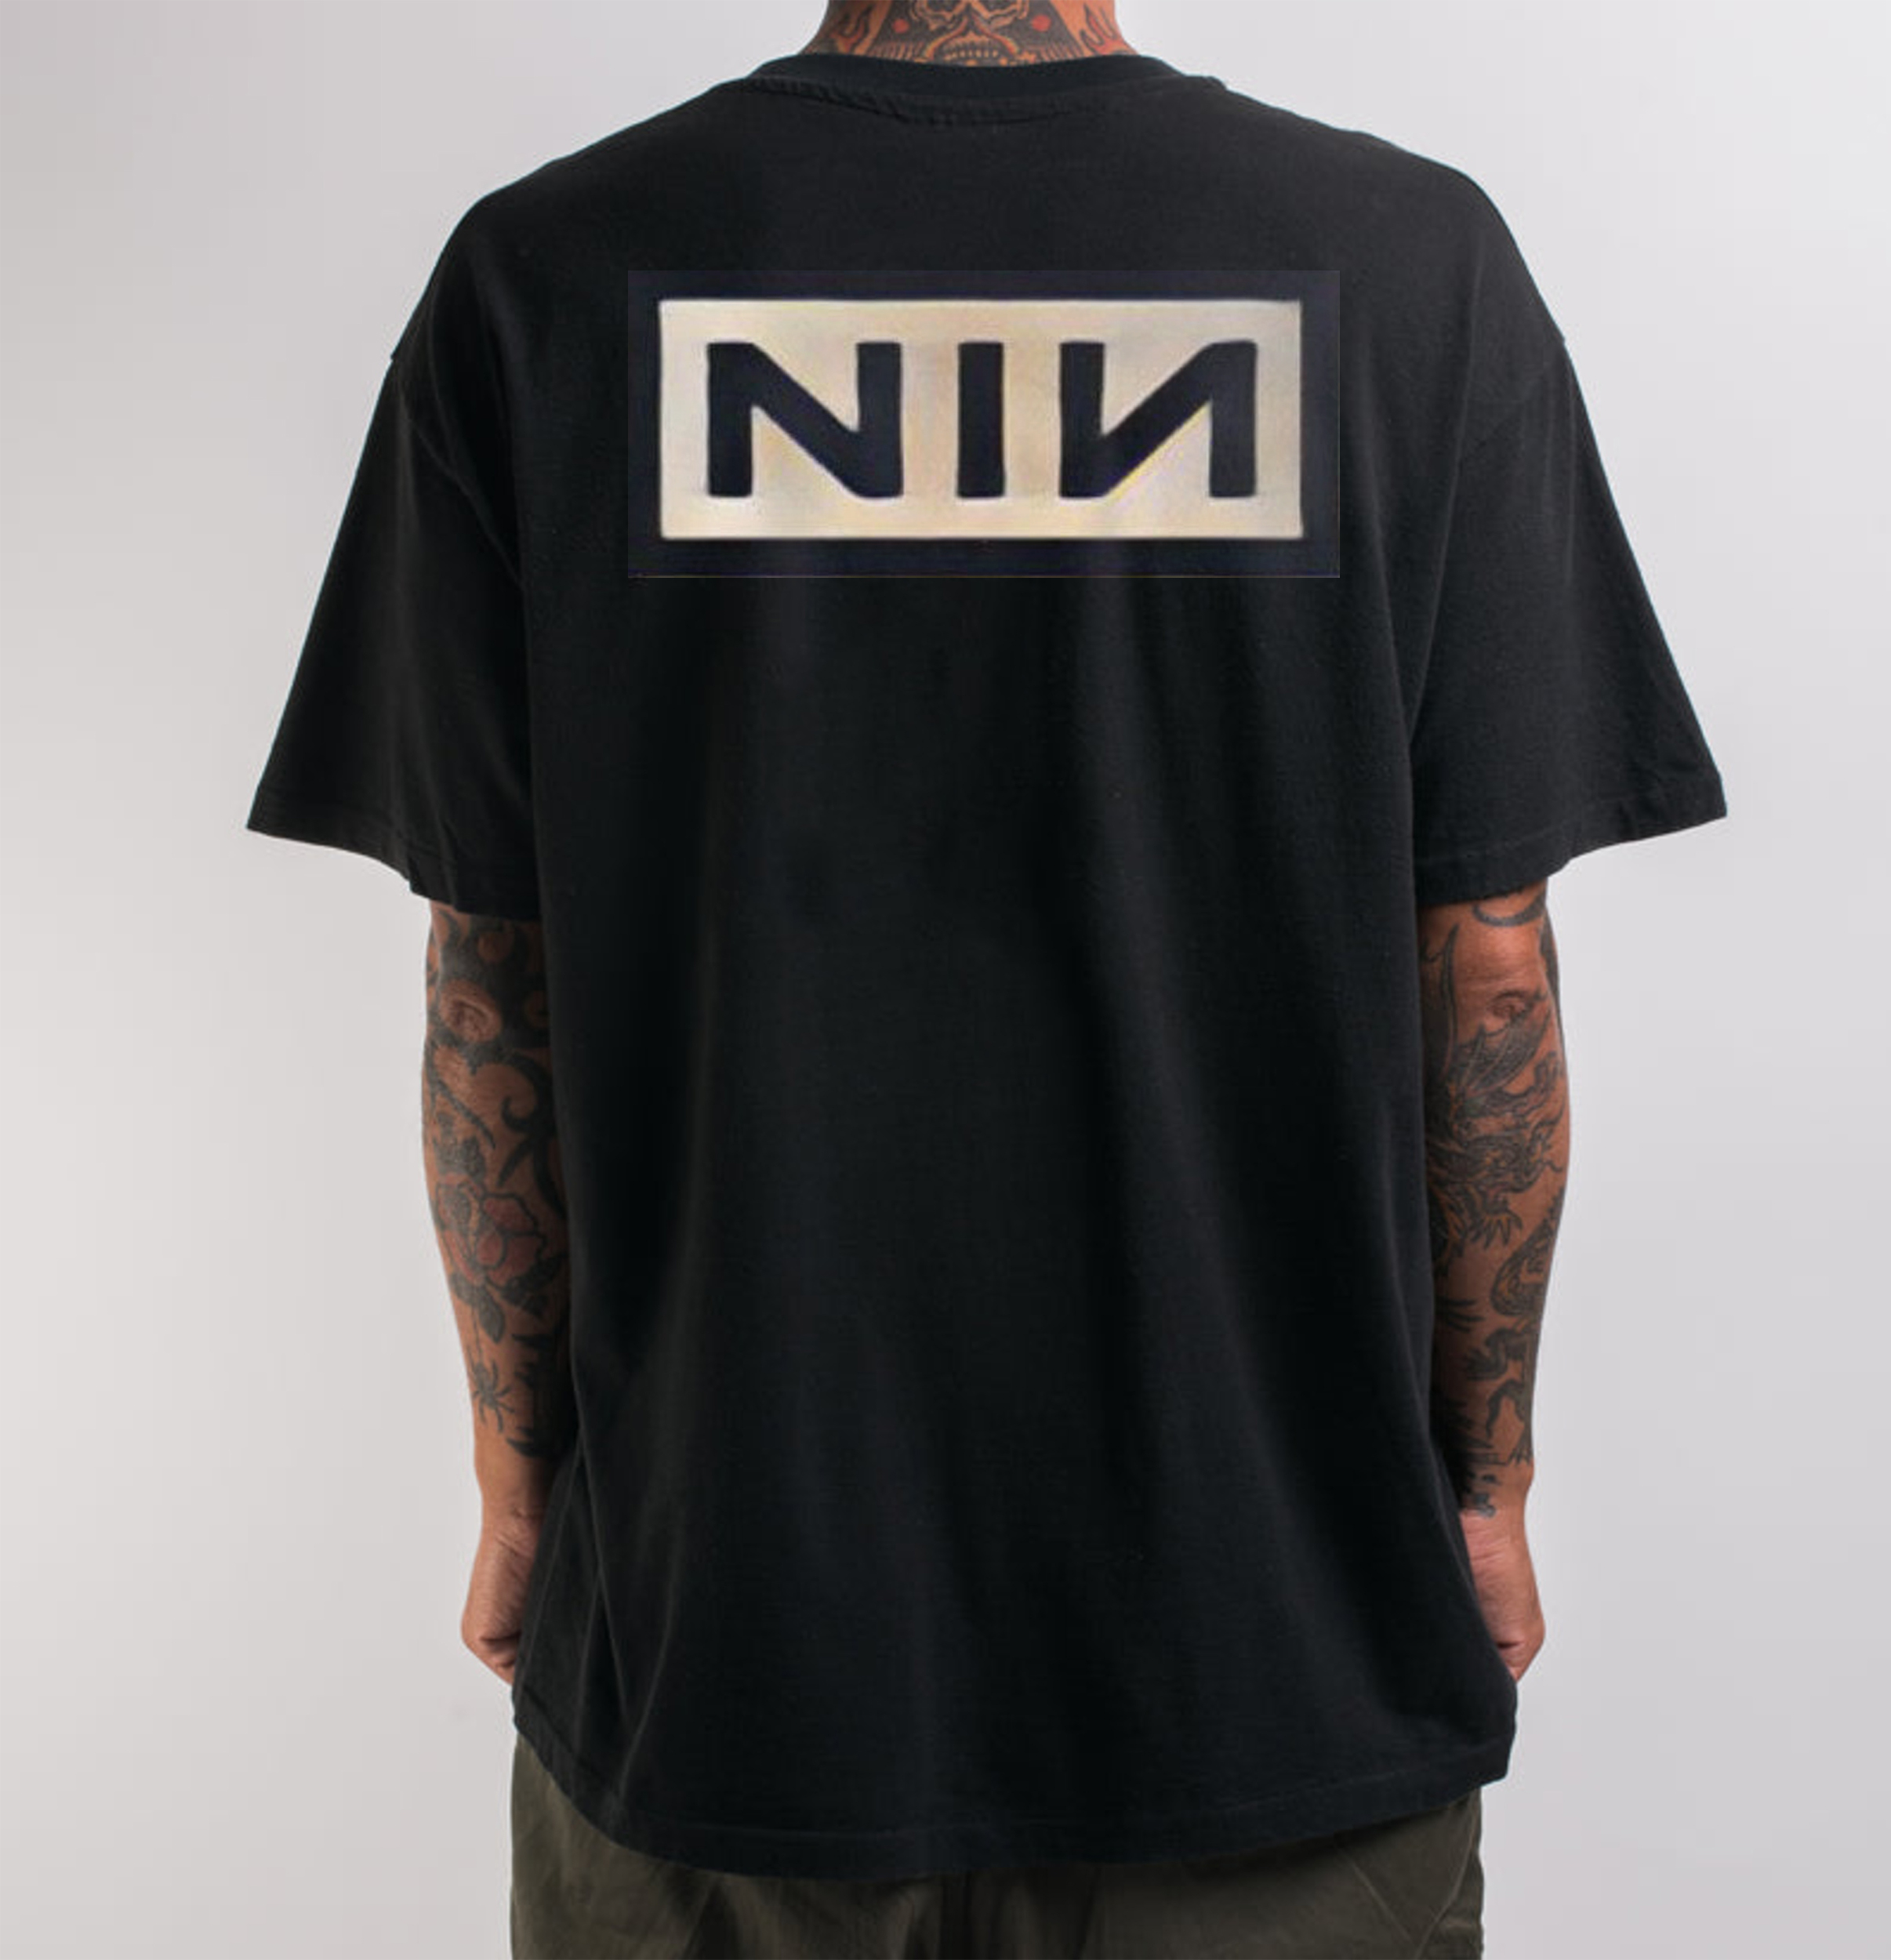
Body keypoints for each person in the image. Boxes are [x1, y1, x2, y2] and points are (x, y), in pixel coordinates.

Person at [243, 2, 1729, 1953]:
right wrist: (1485, 1477)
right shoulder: (1403, 261)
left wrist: (522, 1483)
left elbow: (487, 976)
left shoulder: (550, 270)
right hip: (1271, 1646)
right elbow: (1487, 964)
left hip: (729, 1642)